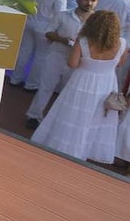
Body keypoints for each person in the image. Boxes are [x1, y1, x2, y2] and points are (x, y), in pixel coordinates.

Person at [31, 10, 126, 163]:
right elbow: (120, 63)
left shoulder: (83, 41)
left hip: (83, 81)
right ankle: (86, 150)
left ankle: (67, 149)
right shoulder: (122, 43)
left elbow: (72, 63)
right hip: (106, 83)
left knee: (73, 114)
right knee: (96, 117)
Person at [25, 0, 97, 128]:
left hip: (79, 62)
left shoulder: (96, 21)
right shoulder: (63, 15)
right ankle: (34, 116)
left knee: (69, 92)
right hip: (56, 56)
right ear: (77, 0)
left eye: (92, 0)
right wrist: (63, 40)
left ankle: (59, 122)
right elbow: (48, 33)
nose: (89, 3)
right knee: (46, 87)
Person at [11, 0, 67, 90]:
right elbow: (60, 14)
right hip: (45, 27)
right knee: (40, 56)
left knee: (24, 51)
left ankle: (15, 78)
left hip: (29, 21)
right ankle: (31, 84)